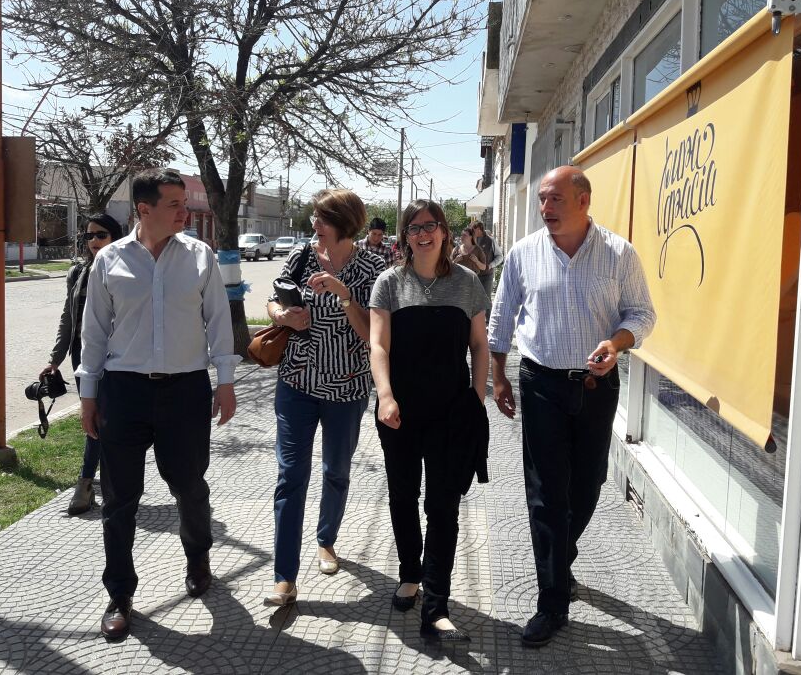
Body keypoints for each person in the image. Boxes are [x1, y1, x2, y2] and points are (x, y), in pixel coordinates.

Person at [487, 166, 655, 647]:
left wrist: (616, 343)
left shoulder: (619, 253)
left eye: (555, 199)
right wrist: (498, 375)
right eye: (542, 199)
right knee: (545, 494)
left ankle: (560, 555)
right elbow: (502, 314)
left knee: (588, 483)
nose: (545, 208)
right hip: (540, 383)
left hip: (595, 386)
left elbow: (642, 314)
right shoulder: (524, 253)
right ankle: (552, 602)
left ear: (584, 200)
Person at [76, 168, 239, 642]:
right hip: (123, 391)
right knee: (119, 498)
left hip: (184, 391)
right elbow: (94, 332)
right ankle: (119, 593)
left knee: (189, 485)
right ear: (144, 210)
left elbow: (218, 322)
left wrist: (225, 382)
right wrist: (88, 396)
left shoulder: (199, 256)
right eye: (175, 204)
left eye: (184, 203)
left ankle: (198, 556)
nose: (185, 212)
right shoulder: (109, 260)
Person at [369, 200, 490, 643]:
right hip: (399, 413)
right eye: (414, 228)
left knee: (443, 506)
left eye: (431, 226)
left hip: (451, 414)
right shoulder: (389, 283)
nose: (423, 234)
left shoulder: (467, 283)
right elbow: (378, 345)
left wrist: (477, 399)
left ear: (444, 231)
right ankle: (410, 574)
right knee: (403, 496)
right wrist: (385, 395)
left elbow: (479, 345)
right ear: (405, 236)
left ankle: (437, 605)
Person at [264, 189, 385, 606]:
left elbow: (372, 333)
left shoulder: (372, 266)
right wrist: (282, 314)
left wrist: (343, 294)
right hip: (296, 382)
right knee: (290, 475)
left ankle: (326, 540)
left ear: (345, 222)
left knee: (336, 470)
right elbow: (272, 299)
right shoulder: (301, 255)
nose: (314, 224)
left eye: (323, 217)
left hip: (346, 387)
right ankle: (284, 576)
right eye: (315, 216)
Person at [39, 212, 123, 516]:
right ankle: (88, 482)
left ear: (115, 237)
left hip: (118, 355)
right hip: (83, 354)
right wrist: (55, 360)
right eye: (89, 236)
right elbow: (68, 317)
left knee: (111, 417)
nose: (94, 241)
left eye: (101, 235)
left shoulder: (127, 270)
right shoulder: (79, 272)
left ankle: (97, 481)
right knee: (96, 416)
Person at [471, 220, 502, 296]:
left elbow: (500, 257)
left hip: (487, 275)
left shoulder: (491, 240)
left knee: (486, 299)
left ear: (478, 229)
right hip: (473, 275)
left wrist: (490, 265)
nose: (471, 231)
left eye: (472, 229)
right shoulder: (471, 240)